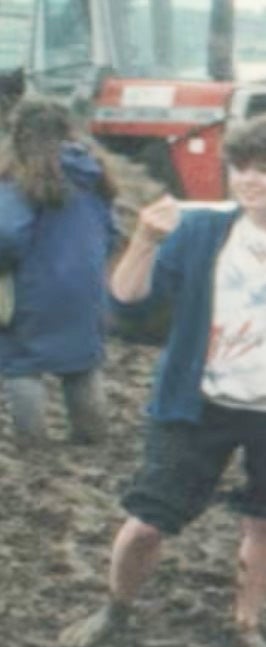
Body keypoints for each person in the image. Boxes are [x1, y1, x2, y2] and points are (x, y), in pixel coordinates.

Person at [57, 110, 266, 647]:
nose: (248, 180)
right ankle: (115, 607)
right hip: (200, 404)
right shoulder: (203, 231)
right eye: (240, 168)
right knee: (147, 520)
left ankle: (247, 623)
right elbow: (126, 300)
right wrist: (143, 239)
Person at [0, 98, 118, 448]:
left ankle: (34, 445)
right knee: (82, 362)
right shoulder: (94, 176)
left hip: (33, 288)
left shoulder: (19, 182)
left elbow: (7, 234)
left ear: (18, 134)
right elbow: (111, 232)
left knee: (23, 363)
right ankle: (92, 438)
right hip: (87, 288)